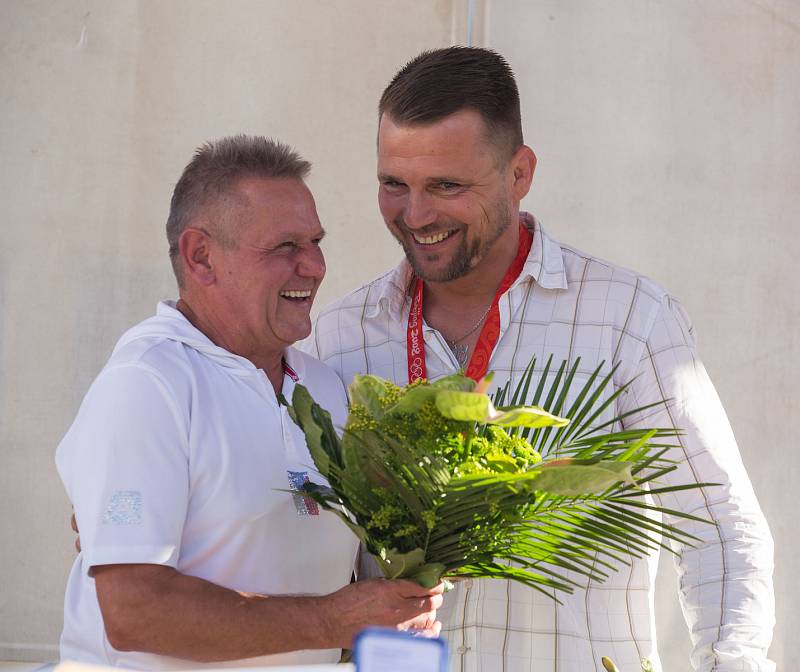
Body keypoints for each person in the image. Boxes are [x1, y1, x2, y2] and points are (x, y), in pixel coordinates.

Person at [308, 47, 775, 671]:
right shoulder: (340, 334)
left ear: (519, 173)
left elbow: (720, 528)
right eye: (395, 184)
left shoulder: (629, 318)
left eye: (446, 186)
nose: (416, 216)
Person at [56, 135, 443, 670]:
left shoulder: (323, 386)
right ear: (201, 257)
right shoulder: (148, 383)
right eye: (286, 246)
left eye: (315, 241)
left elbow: (319, 569)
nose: (313, 266)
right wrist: (335, 619)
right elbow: (134, 613)